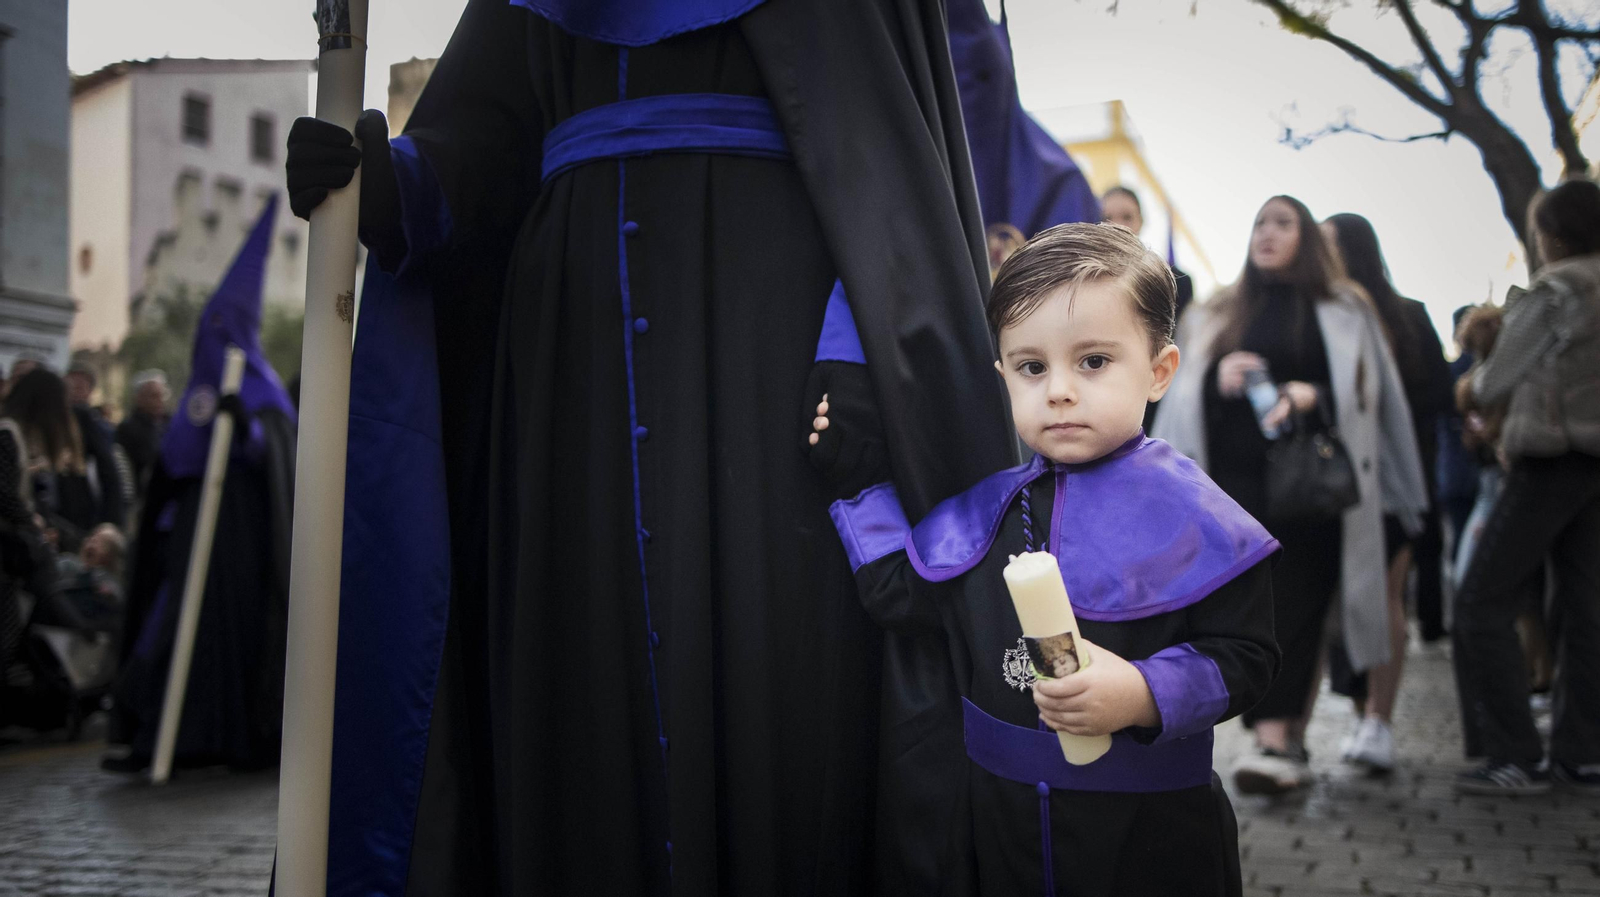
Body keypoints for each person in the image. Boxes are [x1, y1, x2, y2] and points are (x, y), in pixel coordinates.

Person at [285, 2, 1017, 893]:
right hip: (569, 373)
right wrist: (387, 182)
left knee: (778, 672)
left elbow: (889, 159)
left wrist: (858, 342)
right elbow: (482, 135)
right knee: (583, 674)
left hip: (772, 349)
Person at [813, 223, 1278, 894]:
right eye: (1032, 367)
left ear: (1158, 371)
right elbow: (897, 592)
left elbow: (1247, 655)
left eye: (1092, 361)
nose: (1058, 390)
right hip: (998, 832)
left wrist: (1143, 692)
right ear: (1003, 375)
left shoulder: (1201, 519)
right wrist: (855, 478)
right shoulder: (984, 514)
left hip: (1150, 838)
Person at [1155, 195, 1427, 795]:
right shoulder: (1217, 311)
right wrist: (1216, 380)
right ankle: (1281, 736)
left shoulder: (1343, 308)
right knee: (1255, 608)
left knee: (1299, 608)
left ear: (1308, 237)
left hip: (1313, 494)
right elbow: (1176, 394)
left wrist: (1313, 395)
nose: (1268, 234)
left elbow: (1371, 399)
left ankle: (1277, 739)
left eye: (1283, 223)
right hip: (1235, 492)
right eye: (1259, 224)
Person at [105, 196, 297, 775]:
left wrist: (245, 429)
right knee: (169, 629)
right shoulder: (196, 394)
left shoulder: (263, 391)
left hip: (242, 545)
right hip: (191, 538)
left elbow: (276, 455)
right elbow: (172, 462)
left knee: (231, 639)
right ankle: (157, 737)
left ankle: (232, 738)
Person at [1453, 178, 1600, 795]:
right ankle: (1582, 754)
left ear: (1553, 233)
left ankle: (1515, 753)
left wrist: (1473, 390)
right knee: (1585, 609)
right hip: (1596, 463)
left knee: (1481, 597)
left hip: (1549, 460)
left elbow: (1494, 379)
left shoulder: (1558, 287)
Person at [1321, 213, 1452, 772]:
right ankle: (1366, 717)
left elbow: (1432, 398)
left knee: (1386, 596)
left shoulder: (1400, 316)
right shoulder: (1327, 314)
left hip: (1389, 482)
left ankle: (1378, 719)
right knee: (1345, 601)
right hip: (1339, 484)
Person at [115, 370, 171, 502]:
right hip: (142, 498)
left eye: (161, 395)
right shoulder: (128, 427)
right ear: (139, 398)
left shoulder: (169, 424)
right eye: (153, 396)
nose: (159, 401)